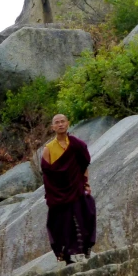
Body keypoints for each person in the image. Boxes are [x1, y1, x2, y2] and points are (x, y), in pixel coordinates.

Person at [41, 114, 96, 265]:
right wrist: (51, 195)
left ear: (68, 123)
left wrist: (86, 184)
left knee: (87, 213)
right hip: (59, 193)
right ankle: (66, 254)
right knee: (61, 223)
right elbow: (47, 175)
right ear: (52, 127)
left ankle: (85, 248)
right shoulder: (48, 149)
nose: (60, 125)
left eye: (62, 122)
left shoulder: (77, 144)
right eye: (57, 123)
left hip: (76, 188)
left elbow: (83, 165)